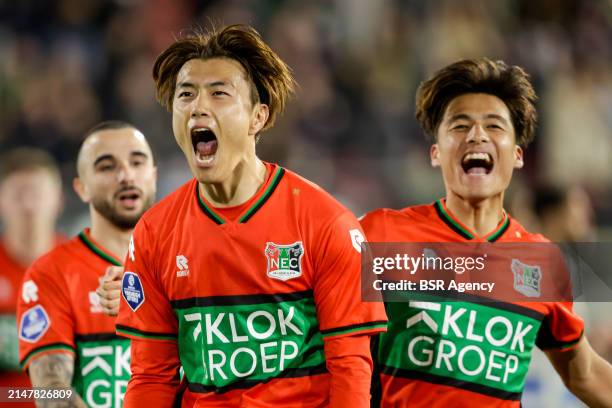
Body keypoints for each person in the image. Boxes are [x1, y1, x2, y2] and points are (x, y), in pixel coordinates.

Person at [112, 24, 387, 407]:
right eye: (186, 94)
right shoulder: (154, 233)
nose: (198, 107)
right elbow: (150, 376)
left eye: (219, 93)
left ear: (258, 117)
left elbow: (351, 368)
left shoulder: (327, 222)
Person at [360, 58, 612, 407]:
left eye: (494, 126)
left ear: (518, 155)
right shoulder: (381, 234)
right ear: (436, 153)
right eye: (459, 126)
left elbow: (582, 373)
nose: (476, 135)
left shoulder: (541, 261)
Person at [16, 121, 157, 407]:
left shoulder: (184, 263)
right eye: (107, 167)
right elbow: (50, 390)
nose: (126, 175)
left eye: (137, 162)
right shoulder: (51, 273)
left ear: (153, 176)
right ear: (82, 189)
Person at [0, 148, 64, 401]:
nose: (28, 206)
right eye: (18, 195)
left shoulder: (83, 268)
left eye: (37, 194)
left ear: (58, 199)